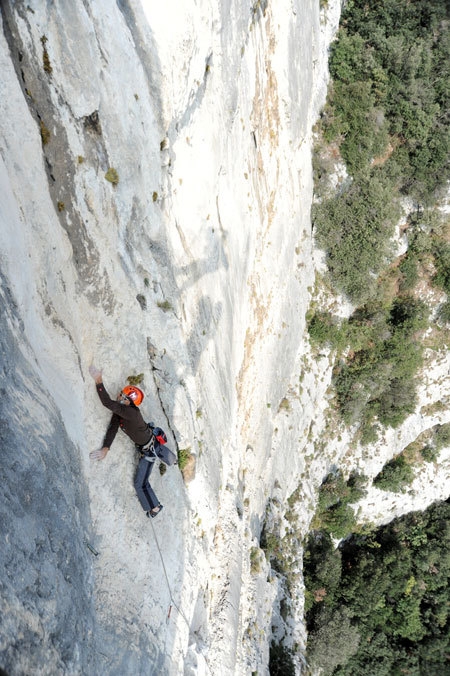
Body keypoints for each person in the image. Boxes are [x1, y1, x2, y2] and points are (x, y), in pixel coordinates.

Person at [88, 365, 163, 518]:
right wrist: (105, 449)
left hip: (150, 451)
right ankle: (155, 505)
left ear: (128, 401)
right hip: (146, 448)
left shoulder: (131, 413)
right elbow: (113, 428)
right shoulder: (123, 412)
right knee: (142, 482)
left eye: (122, 395)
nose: (119, 395)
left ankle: (155, 507)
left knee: (139, 484)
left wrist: (99, 381)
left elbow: (107, 403)